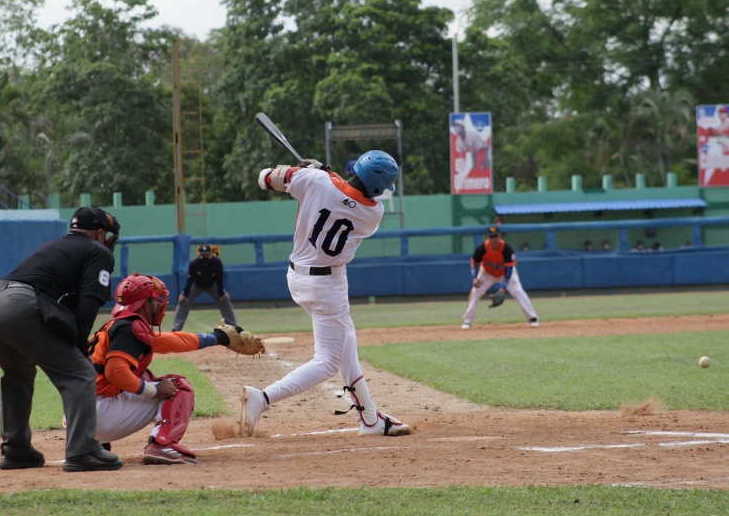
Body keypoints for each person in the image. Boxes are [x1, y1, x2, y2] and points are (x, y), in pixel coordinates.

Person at [243, 150, 410, 437]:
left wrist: (303, 171)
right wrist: (321, 174)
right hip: (327, 285)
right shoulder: (373, 213)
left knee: (347, 342)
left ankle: (370, 419)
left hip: (298, 275)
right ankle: (263, 397)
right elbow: (345, 196)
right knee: (328, 361)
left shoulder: (314, 180)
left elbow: (265, 179)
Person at [0, 207, 123, 472]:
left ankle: (17, 449)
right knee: (80, 374)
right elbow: (89, 304)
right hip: (21, 304)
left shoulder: (58, 245)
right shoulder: (97, 251)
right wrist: (79, 347)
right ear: (100, 233)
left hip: (3, 295)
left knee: (17, 374)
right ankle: (82, 451)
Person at [91, 273, 254, 465]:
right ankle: (162, 445)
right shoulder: (129, 328)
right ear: (145, 303)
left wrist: (217, 338)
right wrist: (153, 390)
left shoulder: (119, 325)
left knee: (143, 375)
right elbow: (115, 371)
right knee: (177, 386)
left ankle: (95, 445)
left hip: (80, 416)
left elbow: (170, 341)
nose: (161, 305)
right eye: (157, 300)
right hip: (101, 413)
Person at [461, 226, 539, 329]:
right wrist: (474, 277)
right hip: (487, 273)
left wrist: (503, 287)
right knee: (475, 292)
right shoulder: (482, 248)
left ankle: (532, 317)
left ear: (500, 236)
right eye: (491, 237)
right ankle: (467, 320)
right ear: (488, 237)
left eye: (496, 236)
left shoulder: (506, 248)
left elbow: (509, 269)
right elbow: (474, 263)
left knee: (518, 291)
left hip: (505, 273)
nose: (494, 239)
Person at [172, 244, 237, 331]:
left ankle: (232, 326)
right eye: (203, 254)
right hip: (197, 284)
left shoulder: (216, 262)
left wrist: (221, 293)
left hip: (212, 284)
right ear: (199, 254)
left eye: (206, 253)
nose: (205, 256)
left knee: (225, 300)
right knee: (183, 301)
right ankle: (176, 328)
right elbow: (190, 279)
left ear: (210, 253)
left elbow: (219, 278)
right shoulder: (195, 263)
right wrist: (185, 294)